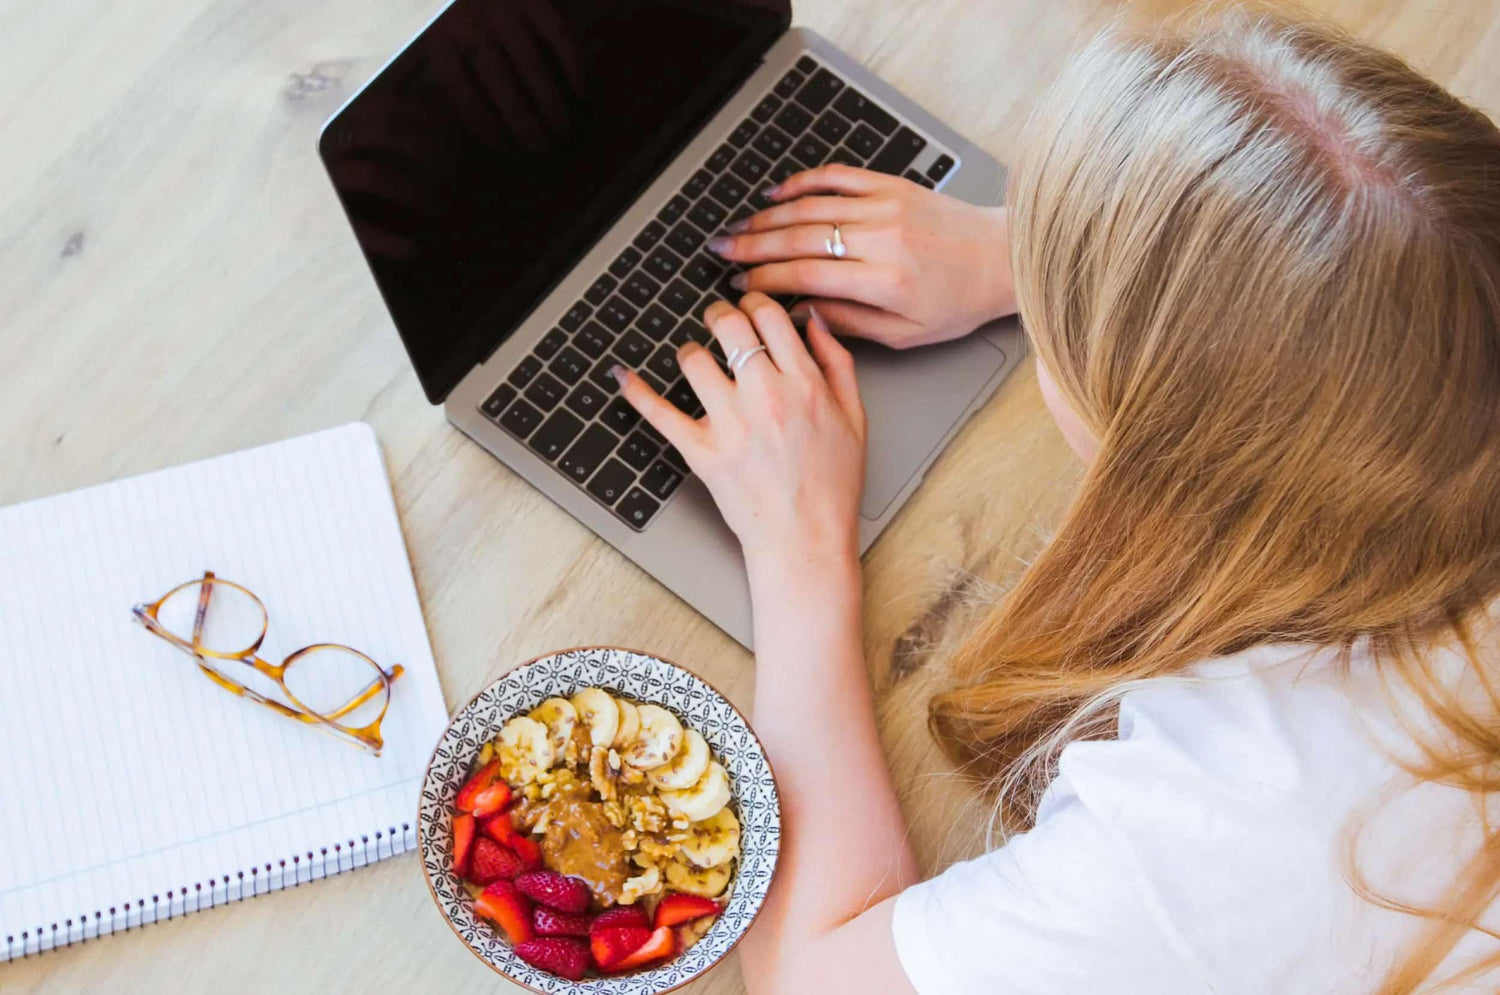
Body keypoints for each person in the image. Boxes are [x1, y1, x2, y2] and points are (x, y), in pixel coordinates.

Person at [614, 5, 1500, 993]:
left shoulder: (1232, 832)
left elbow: (813, 976)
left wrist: (799, 548)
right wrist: (1071, 253)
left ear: (1148, 451)